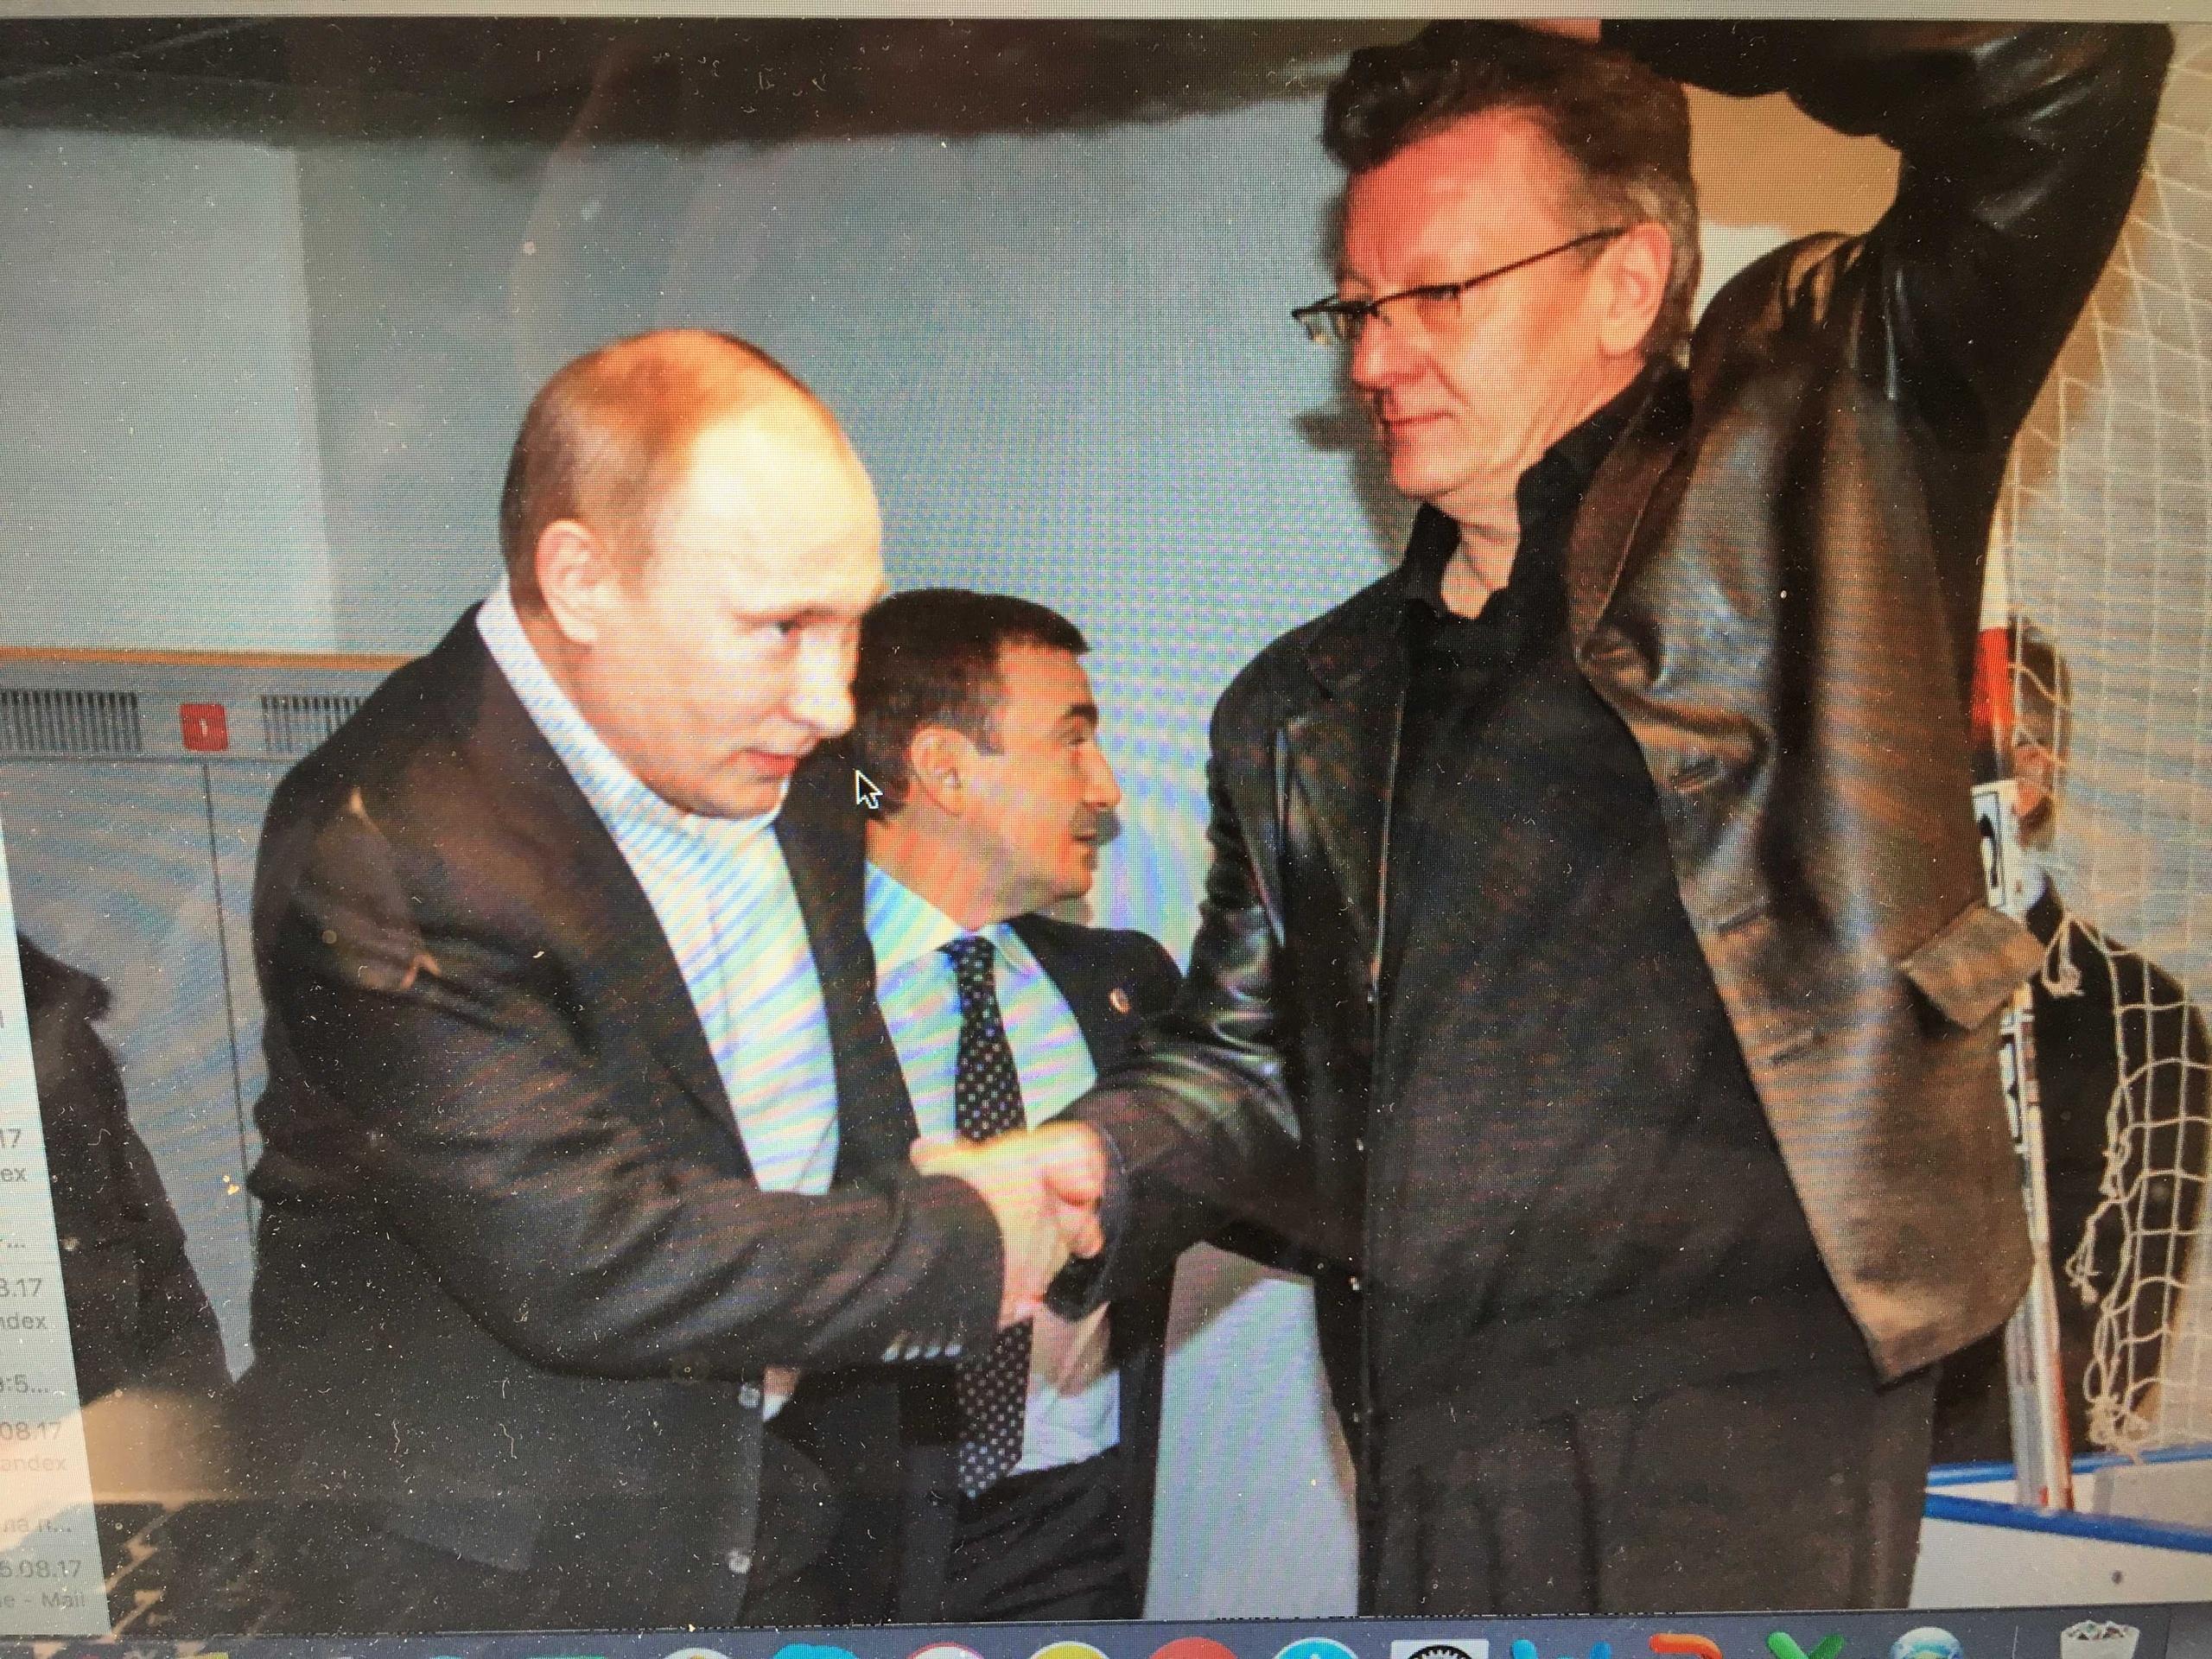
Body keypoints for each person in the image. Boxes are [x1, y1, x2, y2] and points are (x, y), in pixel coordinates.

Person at [1037, 22, 2173, 1616]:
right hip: (1434, 1425)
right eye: (1356, 307)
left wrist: (1634, 15)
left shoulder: (1832, 431)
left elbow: (2063, 70)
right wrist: (1090, 1161)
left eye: (1437, 295)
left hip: (1756, 1411)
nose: (1372, 361)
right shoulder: (1298, 709)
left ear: (1627, 282)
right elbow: (1246, 1067)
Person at [232, 330, 1097, 1632]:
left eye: (850, 626)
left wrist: (948, 1180)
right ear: (580, 581)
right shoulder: (386, 840)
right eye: (781, 629)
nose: (831, 702)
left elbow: (824, 1048)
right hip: (495, 1579)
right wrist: (972, 1237)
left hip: (775, 1511)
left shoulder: (790, 751)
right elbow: (590, 1256)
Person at [808, 586, 1179, 1620]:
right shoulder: (777, 990)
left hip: (1074, 1542)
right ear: (943, 769)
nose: (1105, 788)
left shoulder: (1127, 985)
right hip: (835, 1560)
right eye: (1073, 740)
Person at [1934, 619, 2212, 1462]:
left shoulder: (2145, 1017)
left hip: (1995, 1489)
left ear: (2028, 774)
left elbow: (2113, 1336)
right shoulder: (1813, 978)